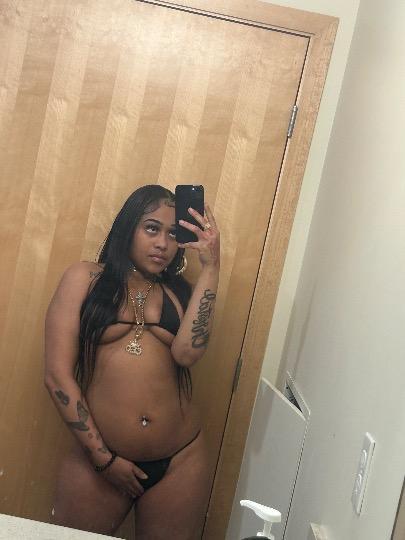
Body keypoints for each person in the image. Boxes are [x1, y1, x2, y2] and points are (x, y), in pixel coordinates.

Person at [44, 185, 220, 539]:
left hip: (180, 459)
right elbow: (57, 376)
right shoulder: (85, 278)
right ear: (128, 228)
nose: (162, 244)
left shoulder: (179, 292)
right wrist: (104, 459)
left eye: (173, 234)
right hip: (99, 457)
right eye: (151, 228)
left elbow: (188, 353)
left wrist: (211, 267)